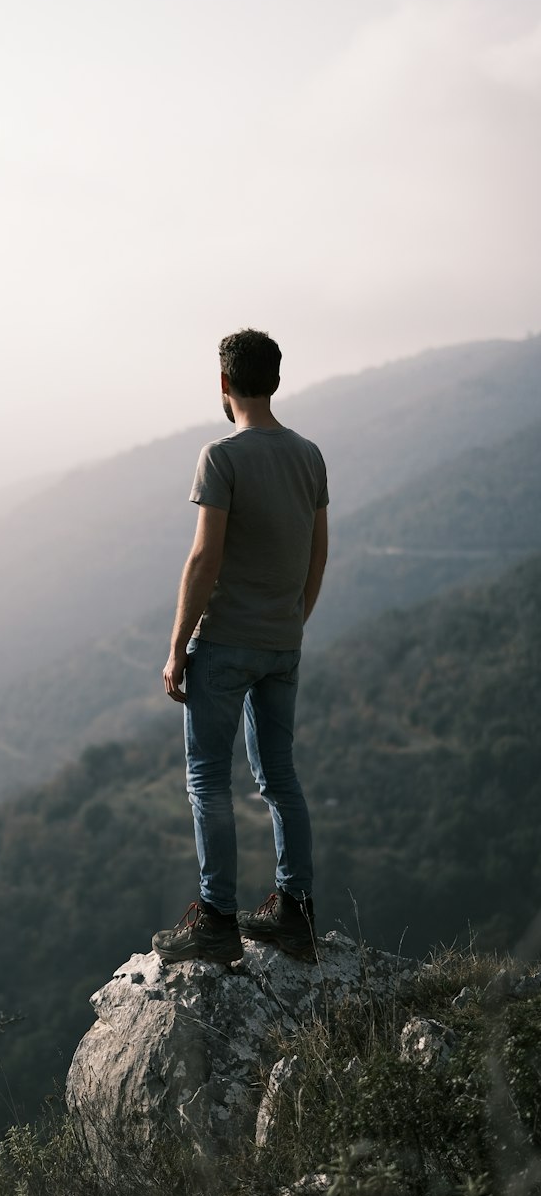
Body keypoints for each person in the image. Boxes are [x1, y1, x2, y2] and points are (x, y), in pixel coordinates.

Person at [153, 329, 328, 965]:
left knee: (208, 780)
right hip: (284, 643)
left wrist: (177, 648)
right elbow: (319, 553)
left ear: (224, 386)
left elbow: (204, 558)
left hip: (225, 644)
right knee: (280, 777)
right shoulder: (309, 456)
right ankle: (295, 912)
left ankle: (218, 918)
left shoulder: (220, 458)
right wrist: (292, 622)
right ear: (276, 381)